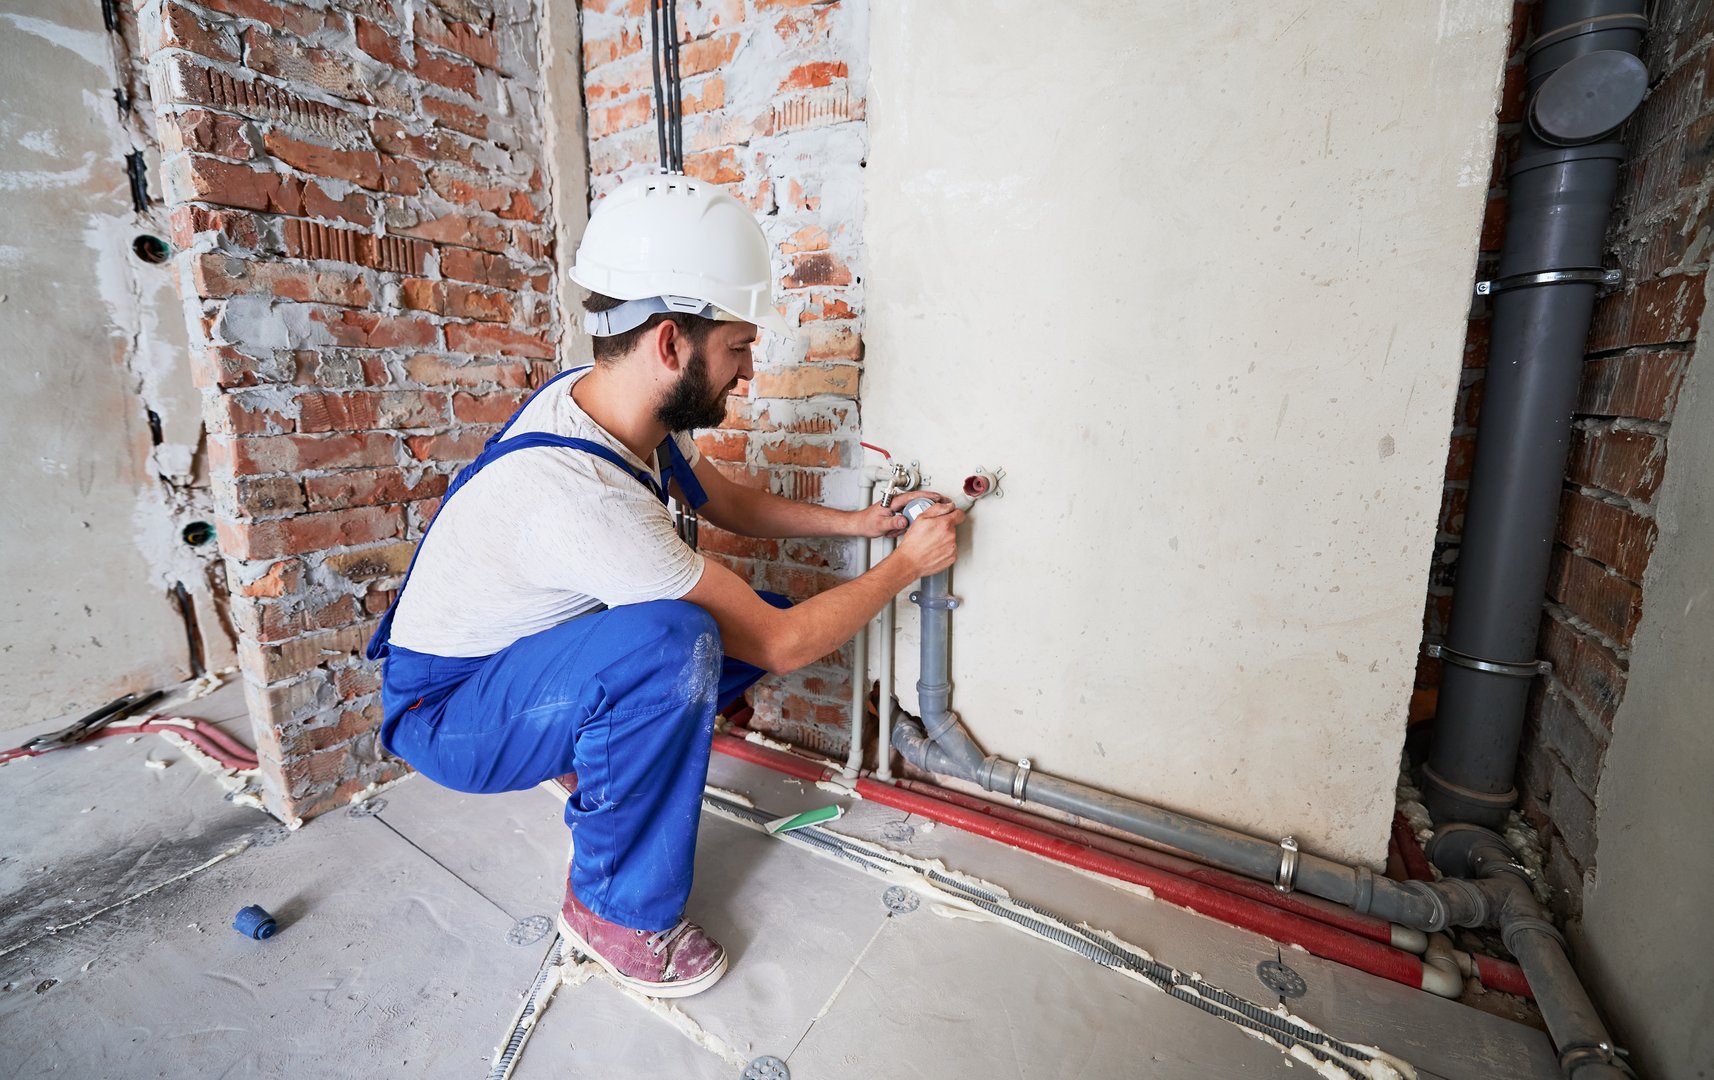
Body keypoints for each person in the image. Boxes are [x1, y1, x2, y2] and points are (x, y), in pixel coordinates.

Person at [367, 174, 963, 999]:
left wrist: (864, 528)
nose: (748, 372)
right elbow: (784, 648)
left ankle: (597, 751)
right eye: (739, 348)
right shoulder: (586, 498)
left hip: (510, 660)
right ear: (671, 344)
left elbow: (722, 500)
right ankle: (610, 910)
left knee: (734, 629)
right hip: (449, 711)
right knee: (681, 643)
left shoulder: (612, 408)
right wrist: (908, 567)